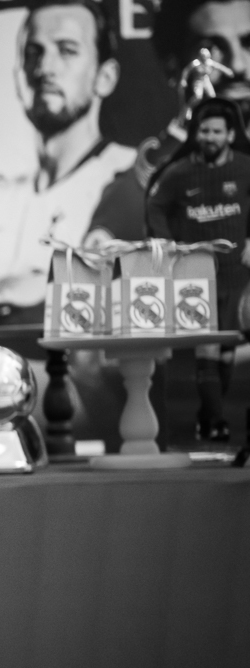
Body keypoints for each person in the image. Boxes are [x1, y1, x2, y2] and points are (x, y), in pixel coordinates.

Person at [0, 0, 134, 316]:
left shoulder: (132, 178)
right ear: (18, 76)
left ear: (105, 76)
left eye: (67, 50)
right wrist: (3, 291)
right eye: (33, 53)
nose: (45, 69)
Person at [89, 0, 250, 244]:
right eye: (211, 49)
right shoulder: (136, 190)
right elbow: (97, 263)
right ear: (172, 66)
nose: (237, 65)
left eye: (249, 43)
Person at [146, 97, 250, 440]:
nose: (209, 137)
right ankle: (217, 422)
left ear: (231, 134)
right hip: (197, 274)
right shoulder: (180, 173)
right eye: (204, 130)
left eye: (217, 131)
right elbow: (155, 205)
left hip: (237, 273)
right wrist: (167, 243)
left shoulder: (245, 168)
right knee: (207, 346)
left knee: (226, 349)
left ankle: (207, 418)